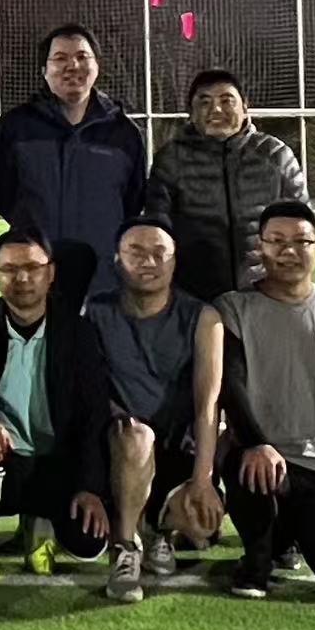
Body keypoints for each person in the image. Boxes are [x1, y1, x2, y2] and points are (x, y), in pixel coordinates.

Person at [216, 201, 315, 601]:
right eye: (276, 241)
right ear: (261, 248)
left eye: (301, 241)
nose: (288, 251)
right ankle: (257, 558)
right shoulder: (235, 308)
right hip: (263, 458)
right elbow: (231, 386)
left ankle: (289, 532)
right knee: (251, 466)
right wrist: (256, 442)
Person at [0, 229, 111, 601]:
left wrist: (91, 486)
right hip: (1, 462)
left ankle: (40, 527)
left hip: (56, 466)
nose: (21, 278)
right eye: (9, 269)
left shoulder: (78, 332)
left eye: (33, 268)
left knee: (88, 542)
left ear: (50, 274)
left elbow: (94, 414)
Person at [85, 217, 225, 604]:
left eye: (159, 253)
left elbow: (208, 405)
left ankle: (158, 527)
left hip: (179, 449)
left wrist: (203, 480)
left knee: (202, 526)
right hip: (123, 447)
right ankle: (126, 546)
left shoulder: (203, 318)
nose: (148, 262)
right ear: (117, 259)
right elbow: (89, 390)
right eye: (136, 252)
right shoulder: (95, 312)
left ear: (174, 261)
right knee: (137, 437)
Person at [0, 23, 145, 300]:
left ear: (96, 66)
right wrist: (32, 227)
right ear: (44, 70)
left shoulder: (124, 133)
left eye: (82, 57)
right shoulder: (16, 127)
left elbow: (134, 198)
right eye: (60, 58)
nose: (73, 65)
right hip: (36, 278)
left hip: (103, 280)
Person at [146, 69, 308, 300]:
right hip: (194, 297)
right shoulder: (171, 160)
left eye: (226, 100)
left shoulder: (275, 155)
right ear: (191, 112)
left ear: (245, 107)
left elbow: (302, 226)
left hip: (265, 294)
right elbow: (157, 229)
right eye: (204, 102)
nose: (216, 110)